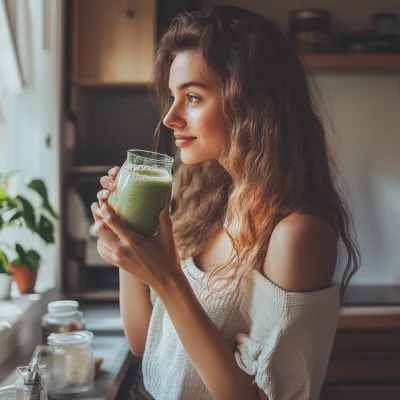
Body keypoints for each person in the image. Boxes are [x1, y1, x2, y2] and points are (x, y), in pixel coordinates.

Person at [91, 6, 360, 400]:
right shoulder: (205, 203)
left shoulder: (295, 235)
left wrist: (168, 278)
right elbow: (142, 343)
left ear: (251, 102)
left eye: (193, 97)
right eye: (172, 97)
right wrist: (129, 243)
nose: (169, 117)